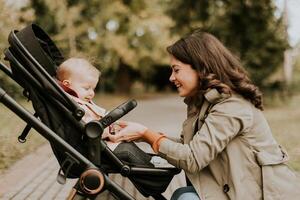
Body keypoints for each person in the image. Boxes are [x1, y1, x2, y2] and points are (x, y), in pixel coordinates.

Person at [107, 30, 300, 200]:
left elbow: (192, 158)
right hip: (238, 191)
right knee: (183, 195)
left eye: (176, 70)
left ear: (201, 69)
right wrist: (142, 135)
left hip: (260, 195)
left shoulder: (231, 106)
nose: (171, 78)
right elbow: (191, 147)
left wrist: (148, 134)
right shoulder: (204, 103)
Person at [56, 57, 153, 167]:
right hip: (93, 149)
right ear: (67, 84)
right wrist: (109, 131)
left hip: (102, 143)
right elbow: (89, 129)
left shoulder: (80, 101)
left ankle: (150, 163)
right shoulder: (74, 106)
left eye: (93, 89)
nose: (92, 93)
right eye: (87, 88)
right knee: (128, 152)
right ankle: (152, 172)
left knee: (129, 146)